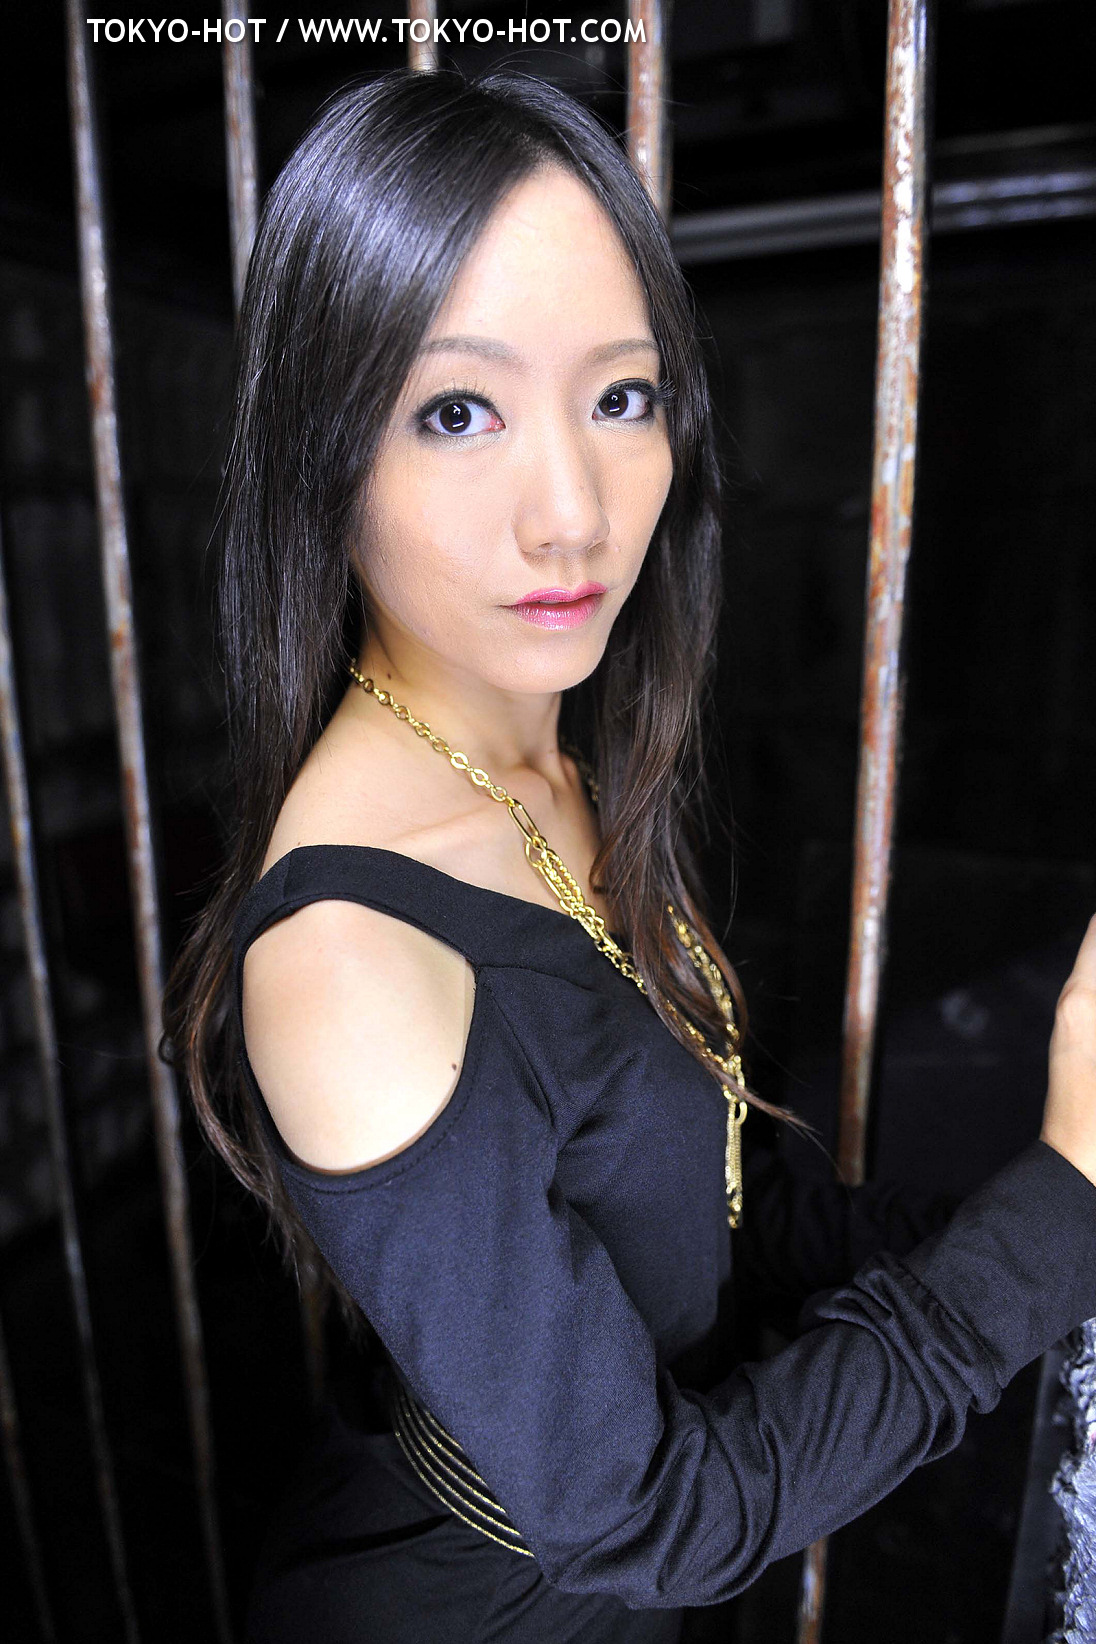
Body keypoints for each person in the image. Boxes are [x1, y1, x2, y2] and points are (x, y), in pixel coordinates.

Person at [165, 68, 1096, 1644]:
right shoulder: (348, 956)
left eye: (621, 398)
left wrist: (1050, 1227)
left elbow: (711, 1199)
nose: (574, 516)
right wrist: (1062, 1205)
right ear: (325, 452)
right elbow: (652, 1520)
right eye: (456, 412)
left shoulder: (554, 761)